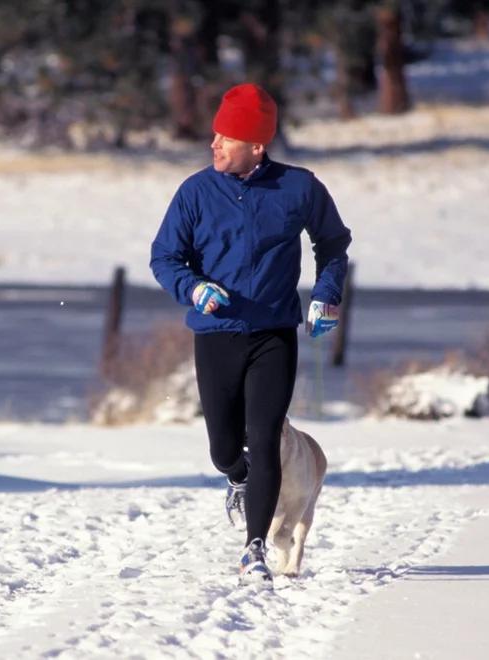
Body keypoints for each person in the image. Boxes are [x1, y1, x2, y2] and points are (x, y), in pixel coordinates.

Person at [150, 83, 352, 585]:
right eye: (215, 135)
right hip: (216, 333)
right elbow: (164, 257)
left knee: (264, 438)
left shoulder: (299, 188)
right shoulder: (195, 192)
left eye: (226, 138)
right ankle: (238, 481)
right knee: (224, 448)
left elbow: (333, 244)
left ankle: (255, 548)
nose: (213, 145)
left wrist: (326, 293)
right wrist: (193, 288)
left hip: (273, 334)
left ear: (256, 145)